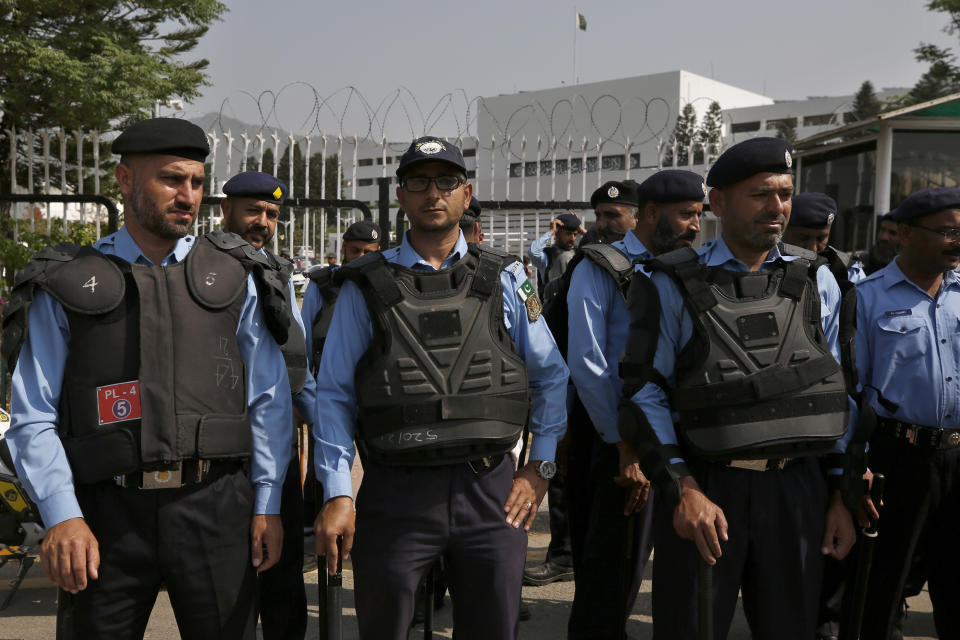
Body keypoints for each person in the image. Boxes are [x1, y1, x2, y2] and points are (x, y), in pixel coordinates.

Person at [0, 118, 293, 639]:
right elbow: (33, 414)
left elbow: (269, 401)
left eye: (197, 183)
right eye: (171, 180)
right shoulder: (66, 281)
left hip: (216, 508)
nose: (188, 196)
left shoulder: (236, 276)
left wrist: (267, 503)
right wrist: (63, 516)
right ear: (126, 180)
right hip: (105, 516)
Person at [312, 135, 568, 640]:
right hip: (396, 492)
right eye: (419, 182)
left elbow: (552, 375)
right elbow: (334, 394)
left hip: (491, 492)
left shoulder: (510, 278)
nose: (434, 193)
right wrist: (338, 493)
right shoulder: (365, 285)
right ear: (402, 195)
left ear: (465, 195)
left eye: (447, 182)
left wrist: (541, 467)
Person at [618, 137, 857, 640]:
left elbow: (841, 390)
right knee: (691, 627)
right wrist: (683, 490)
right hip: (708, 486)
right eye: (761, 194)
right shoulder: (668, 282)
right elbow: (644, 394)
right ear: (719, 202)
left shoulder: (818, 279)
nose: (777, 208)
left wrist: (840, 494)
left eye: (785, 194)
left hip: (797, 489)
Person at [565, 171, 703, 638]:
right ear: (647, 214)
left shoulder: (694, 267)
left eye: (699, 215)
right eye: (685, 215)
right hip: (622, 440)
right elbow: (589, 363)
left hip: (685, 440)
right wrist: (626, 444)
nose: (695, 226)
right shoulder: (600, 267)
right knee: (611, 576)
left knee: (686, 575)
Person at [855, 187, 960, 639]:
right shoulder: (866, 298)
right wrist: (853, 464)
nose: (957, 240)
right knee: (883, 585)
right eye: (947, 231)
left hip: (957, 456)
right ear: (904, 234)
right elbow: (850, 390)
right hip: (896, 459)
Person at [221, 170, 318, 640]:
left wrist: (331, 428)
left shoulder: (278, 273)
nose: (262, 221)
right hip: (224, 453)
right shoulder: (201, 271)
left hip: (278, 455)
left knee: (284, 579)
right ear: (226, 210)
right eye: (253, 211)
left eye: (272, 214)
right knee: (230, 589)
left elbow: (298, 366)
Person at [529, 212, 586, 289]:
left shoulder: (579, 253)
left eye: (575, 235)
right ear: (557, 233)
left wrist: (584, 232)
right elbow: (533, 252)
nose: (573, 239)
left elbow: (601, 251)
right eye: (568, 234)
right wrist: (551, 232)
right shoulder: (547, 256)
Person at [849, 212, 901, 282]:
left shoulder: (909, 271)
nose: (884, 237)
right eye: (882, 230)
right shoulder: (861, 263)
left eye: (892, 233)